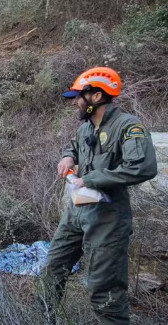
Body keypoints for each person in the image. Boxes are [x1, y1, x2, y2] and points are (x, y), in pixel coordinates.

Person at [41, 67, 157, 324]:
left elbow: (143, 167)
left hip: (108, 220)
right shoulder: (85, 129)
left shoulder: (128, 126)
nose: (75, 103)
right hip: (77, 213)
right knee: (51, 272)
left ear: (96, 96)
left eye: (78, 96)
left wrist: (91, 178)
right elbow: (74, 145)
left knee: (104, 294)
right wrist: (68, 156)